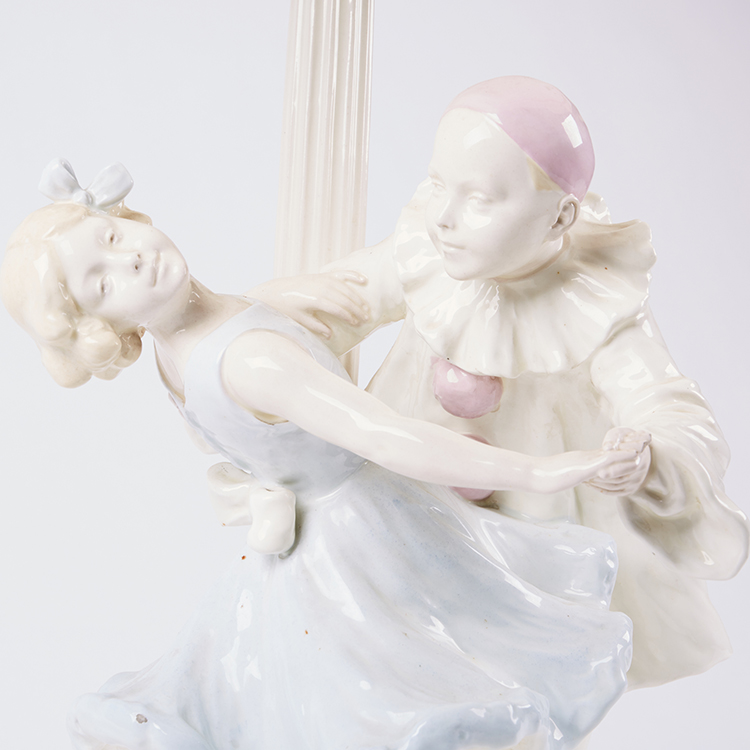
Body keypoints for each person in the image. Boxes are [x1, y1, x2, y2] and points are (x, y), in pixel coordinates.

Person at [1, 159, 645, 750]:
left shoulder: (181, 352)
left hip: (291, 553)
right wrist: (541, 470)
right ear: (103, 328)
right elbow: (387, 436)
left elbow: (255, 337)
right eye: (103, 283)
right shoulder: (252, 360)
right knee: (433, 686)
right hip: (364, 533)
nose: (132, 262)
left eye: (114, 238)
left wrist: (288, 300)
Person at [251, 76, 749, 692]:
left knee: (504, 690)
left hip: (523, 543)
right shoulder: (429, 254)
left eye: (481, 199)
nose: (444, 217)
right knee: (371, 665)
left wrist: (649, 456)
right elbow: (339, 299)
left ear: (559, 216)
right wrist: (245, 321)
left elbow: (665, 404)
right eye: (438, 183)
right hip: (396, 507)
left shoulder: (594, 303)